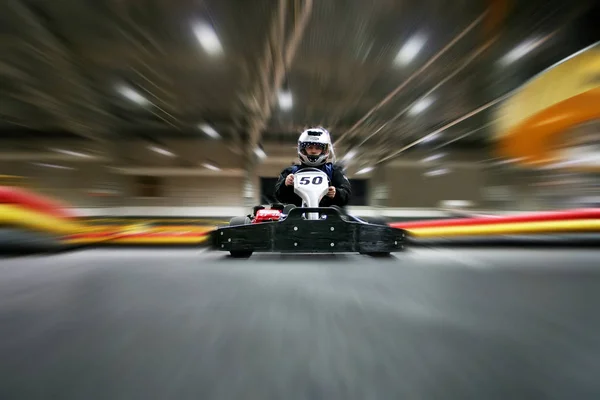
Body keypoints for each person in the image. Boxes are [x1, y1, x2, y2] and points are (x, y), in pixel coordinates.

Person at [274, 127, 352, 207]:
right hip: (297, 215)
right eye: (309, 147)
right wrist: (285, 184)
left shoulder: (334, 171)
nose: (313, 151)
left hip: (328, 215)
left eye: (318, 148)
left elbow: (346, 193)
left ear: (324, 150)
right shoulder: (290, 172)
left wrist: (336, 193)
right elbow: (279, 196)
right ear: (302, 149)